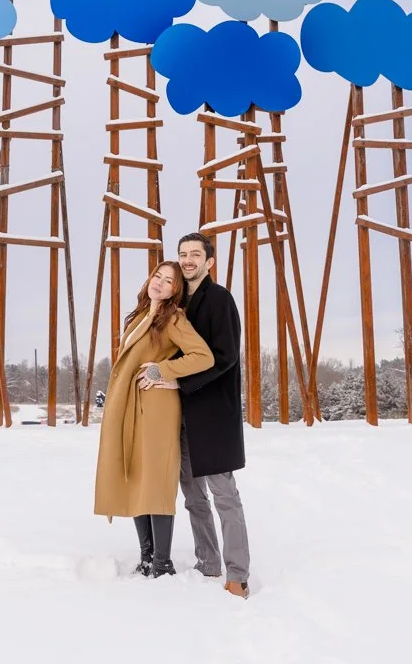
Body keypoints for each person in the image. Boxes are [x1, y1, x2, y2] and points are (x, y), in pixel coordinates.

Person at [140, 232, 251, 599]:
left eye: (195, 255)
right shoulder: (176, 302)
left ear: (209, 262)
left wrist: (177, 383)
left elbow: (225, 357)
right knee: (192, 496)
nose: (187, 260)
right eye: (182, 254)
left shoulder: (219, 299)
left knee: (224, 495)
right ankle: (207, 561)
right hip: (180, 414)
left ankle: (237, 573)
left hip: (213, 412)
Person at [93, 260, 215, 578]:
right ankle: (146, 556)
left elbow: (203, 355)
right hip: (133, 405)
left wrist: (166, 371)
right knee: (136, 475)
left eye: (168, 281)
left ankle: (162, 562)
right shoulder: (139, 315)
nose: (159, 283)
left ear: (176, 290)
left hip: (157, 406)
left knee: (157, 480)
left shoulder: (173, 318)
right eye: (156, 276)